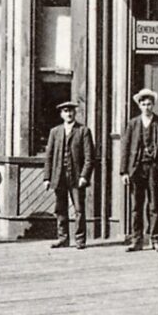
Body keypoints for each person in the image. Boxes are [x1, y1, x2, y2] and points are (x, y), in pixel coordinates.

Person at [121, 88, 158, 252]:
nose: (146, 107)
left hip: (154, 169)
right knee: (136, 206)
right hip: (136, 169)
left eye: (149, 104)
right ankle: (137, 240)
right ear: (139, 105)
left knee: (154, 206)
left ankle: (155, 239)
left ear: (153, 105)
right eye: (143, 104)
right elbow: (125, 148)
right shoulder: (133, 123)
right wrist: (124, 172)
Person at [43, 100, 96, 249]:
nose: (69, 114)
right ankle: (63, 238)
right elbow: (49, 156)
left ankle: (80, 240)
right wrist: (47, 177)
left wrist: (84, 176)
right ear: (61, 114)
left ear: (75, 113)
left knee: (79, 209)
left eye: (71, 111)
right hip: (59, 176)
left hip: (76, 177)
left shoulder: (83, 131)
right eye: (65, 111)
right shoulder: (55, 132)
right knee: (60, 208)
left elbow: (89, 157)